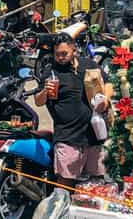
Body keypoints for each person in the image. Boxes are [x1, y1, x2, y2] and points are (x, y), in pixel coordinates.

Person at [34, 35, 110, 182]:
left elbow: (107, 82)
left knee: (96, 182)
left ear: (74, 49)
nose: (61, 57)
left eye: (64, 53)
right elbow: (38, 101)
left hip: (94, 135)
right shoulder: (51, 72)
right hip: (67, 137)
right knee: (65, 183)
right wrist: (45, 91)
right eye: (57, 54)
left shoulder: (88, 64)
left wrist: (105, 99)